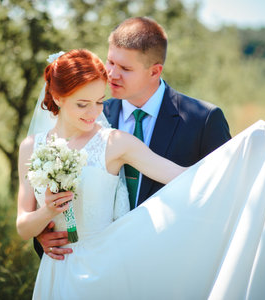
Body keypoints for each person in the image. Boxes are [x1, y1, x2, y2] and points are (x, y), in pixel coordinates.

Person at [18, 49, 265, 299]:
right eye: (82, 104)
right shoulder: (30, 148)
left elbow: (185, 174)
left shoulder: (114, 142)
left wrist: (251, 144)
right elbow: (23, 226)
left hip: (110, 268)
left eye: (100, 102)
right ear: (57, 98)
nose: (94, 113)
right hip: (57, 269)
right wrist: (47, 211)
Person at [36, 17, 232, 260]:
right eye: (110, 62)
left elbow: (225, 185)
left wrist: (259, 141)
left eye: (125, 69)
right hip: (97, 266)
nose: (112, 74)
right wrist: (44, 233)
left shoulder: (202, 120)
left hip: (169, 262)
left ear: (154, 71)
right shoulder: (91, 114)